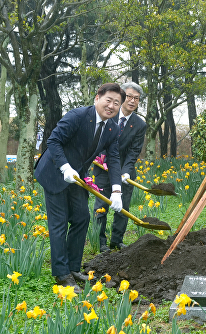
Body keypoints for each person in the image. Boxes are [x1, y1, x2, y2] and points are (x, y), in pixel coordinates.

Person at [35, 83, 125, 293]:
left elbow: (113, 158)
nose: (111, 106)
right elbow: (54, 141)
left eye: (116, 103)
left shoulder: (112, 128)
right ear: (97, 98)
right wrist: (64, 167)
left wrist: (117, 190)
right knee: (58, 223)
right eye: (108, 100)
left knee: (82, 218)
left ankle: (73, 268)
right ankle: (61, 274)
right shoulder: (77, 116)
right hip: (55, 171)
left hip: (77, 177)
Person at [94, 82, 147, 252]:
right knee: (101, 206)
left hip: (125, 171)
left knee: (123, 208)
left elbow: (134, 152)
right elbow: (99, 141)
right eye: (129, 97)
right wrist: (102, 160)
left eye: (136, 99)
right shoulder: (109, 114)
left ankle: (117, 240)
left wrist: (125, 172)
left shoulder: (140, 124)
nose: (132, 101)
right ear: (123, 97)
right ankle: (100, 241)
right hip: (104, 169)